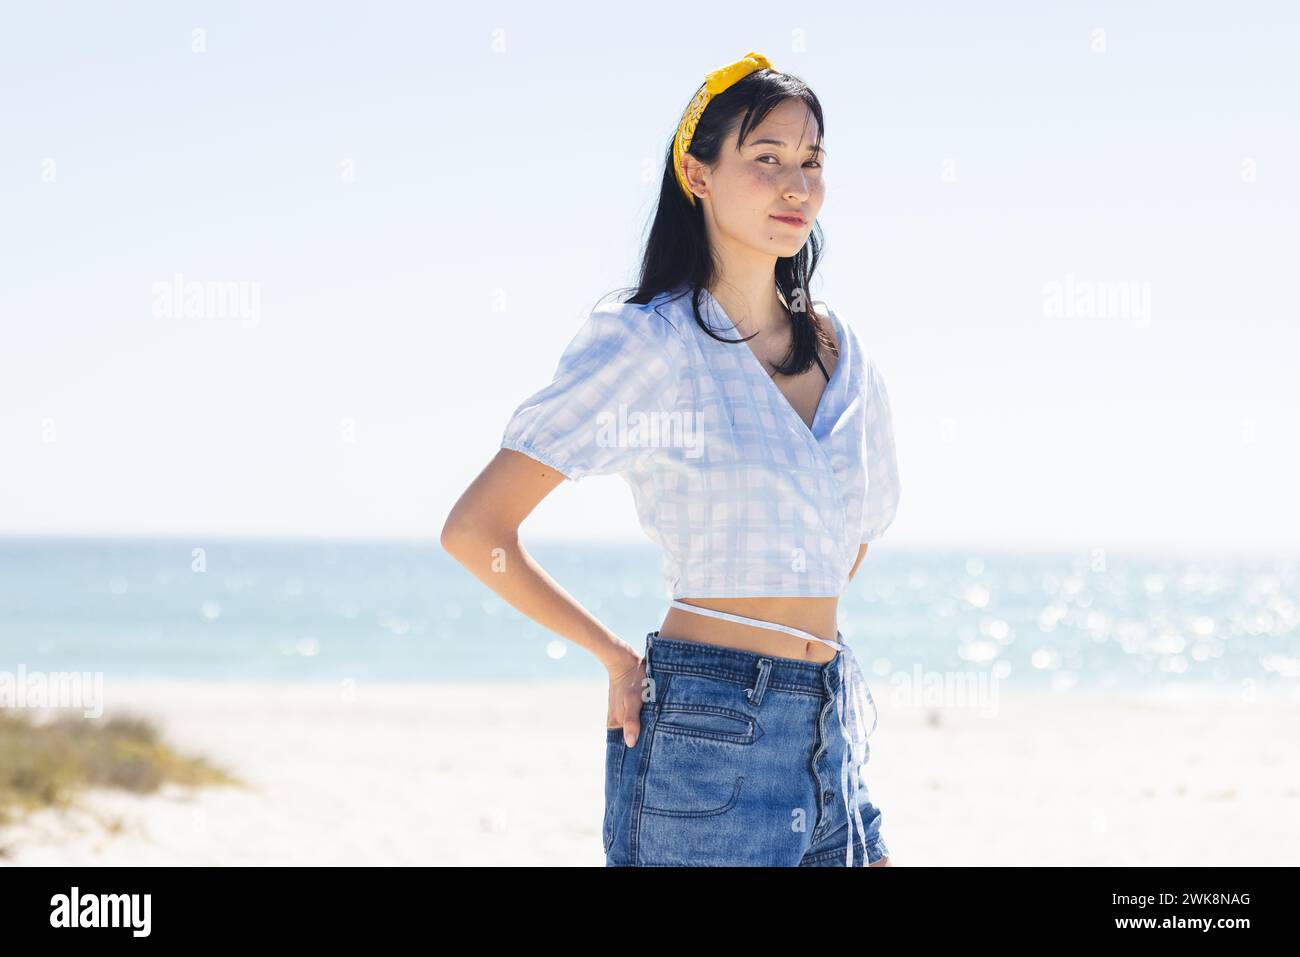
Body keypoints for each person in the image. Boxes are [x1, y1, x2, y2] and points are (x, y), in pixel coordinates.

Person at [442, 51, 901, 866]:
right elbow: (479, 530)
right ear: (698, 173)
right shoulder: (651, 344)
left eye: (811, 161)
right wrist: (613, 655)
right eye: (765, 161)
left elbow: (847, 540)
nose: (795, 186)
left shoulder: (841, 351)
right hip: (709, 726)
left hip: (831, 725)